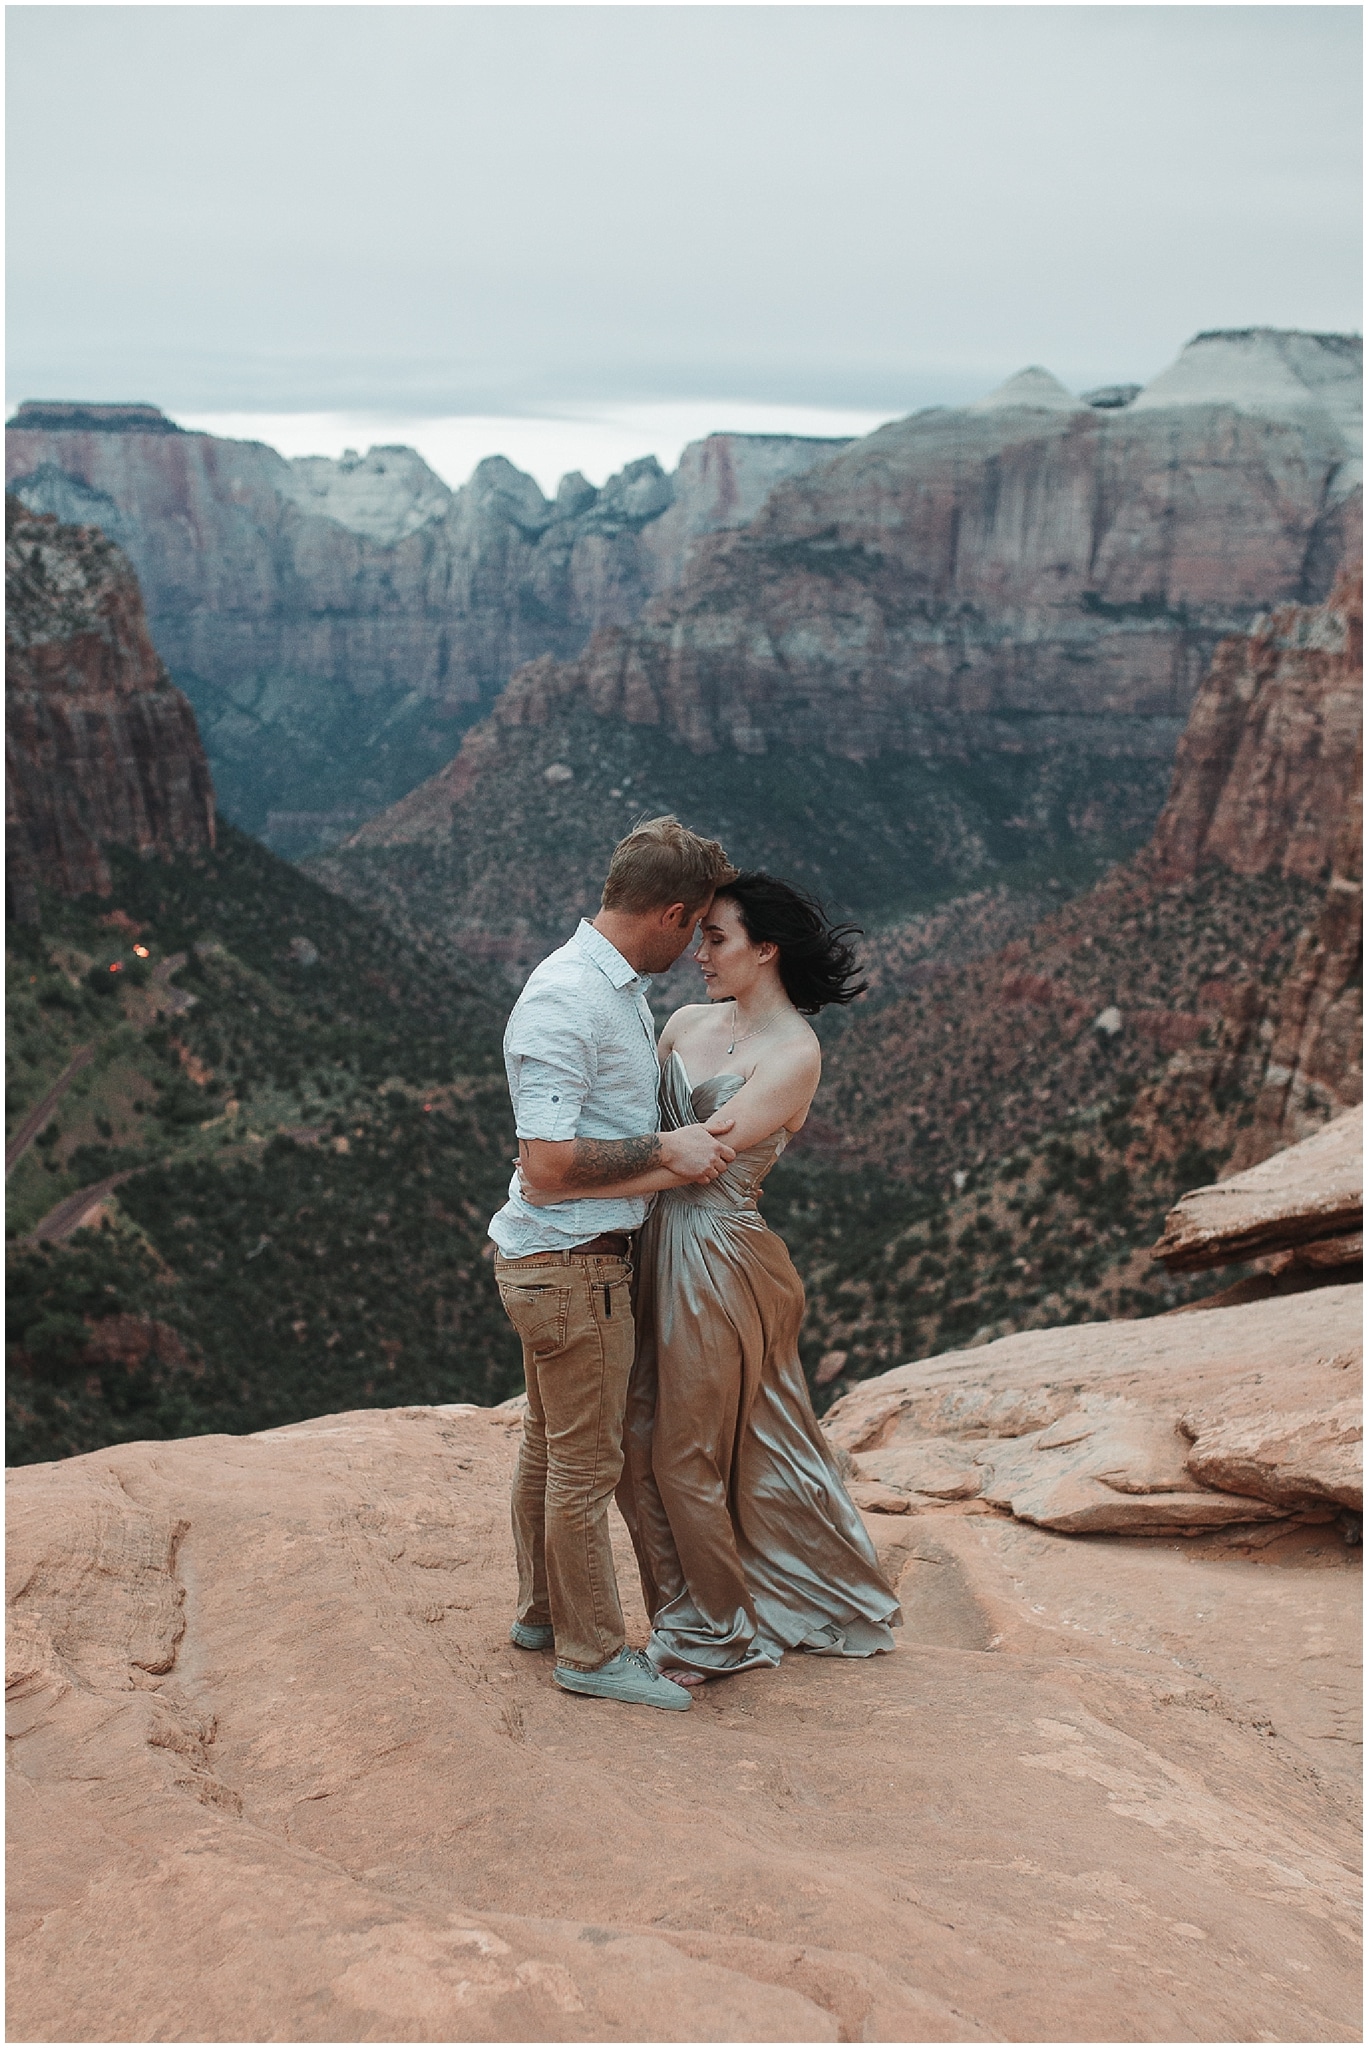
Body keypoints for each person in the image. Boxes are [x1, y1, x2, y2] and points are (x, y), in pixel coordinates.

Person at [520, 871, 901, 1684]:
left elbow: (697, 1160)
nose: (699, 953)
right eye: (697, 935)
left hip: (715, 1262)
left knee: (684, 1452)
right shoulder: (687, 1022)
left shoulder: (795, 1054)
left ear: (766, 951)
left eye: (717, 938)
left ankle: (718, 1631)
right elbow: (631, 1130)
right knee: (631, 1441)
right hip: (644, 1241)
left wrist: (558, 1176)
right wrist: (558, 1165)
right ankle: (679, 1616)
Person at [490, 815, 738, 1713]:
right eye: (699, 925)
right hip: (573, 1268)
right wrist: (667, 1154)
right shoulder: (569, 998)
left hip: (563, 1265)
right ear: (671, 913)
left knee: (548, 1450)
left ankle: (542, 1615)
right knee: (584, 1467)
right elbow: (548, 1166)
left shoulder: (613, 983)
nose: (700, 944)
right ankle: (592, 1654)